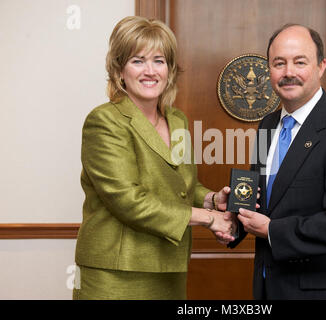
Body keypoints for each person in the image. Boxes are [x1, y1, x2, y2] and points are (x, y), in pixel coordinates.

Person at [73, 16, 234, 300]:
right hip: (115, 272)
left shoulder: (178, 120)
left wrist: (211, 200)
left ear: (169, 70)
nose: (150, 71)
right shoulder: (104, 121)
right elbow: (127, 200)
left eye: (159, 61)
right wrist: (209, 219)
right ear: (119, 70)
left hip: (169, 267)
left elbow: (184, 185)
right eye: (138, 61)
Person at [228, 23, 326, 300]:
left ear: (321, 66)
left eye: (300, 62)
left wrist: (272, 230)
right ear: (269, 70)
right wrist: (234, 215)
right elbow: (262, 200)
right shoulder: (268, 125)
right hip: (265, 287)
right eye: (279, 63)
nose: (288, 73)